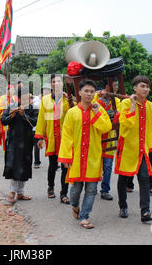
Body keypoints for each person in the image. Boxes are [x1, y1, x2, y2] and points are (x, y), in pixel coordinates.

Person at [58, 80, 112, 229]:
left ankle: (85, 216)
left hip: (93, 157)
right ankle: (75, 206)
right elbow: (67, 135)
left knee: (91, 190)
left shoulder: (99, 110)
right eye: (86, 91)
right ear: (80, 93)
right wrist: (65, 157)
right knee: (75, 189)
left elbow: (106, 128)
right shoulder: (72, 112)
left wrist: (96, 113)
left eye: (92, 91)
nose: (89, 94)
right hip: (76, 157)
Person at [115, 75, 152, 223]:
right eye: (142, 86)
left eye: (147, 87)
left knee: (145, 179)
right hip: (127, 147)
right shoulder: (125, 103)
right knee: (123, 178)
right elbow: (126, 124)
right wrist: (133, 105)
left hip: (142, 149)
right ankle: (123, 205)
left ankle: (145, 212)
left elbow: (150, 130)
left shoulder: (151, 106)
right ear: (135, 88)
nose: (145, 89)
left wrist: (150, 148)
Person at [35, 74, 71, 204]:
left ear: (63, 83)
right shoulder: (45, 100)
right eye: (54, 81)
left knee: (65, 166)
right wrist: (40, 137)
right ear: (51, 85)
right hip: (51, 137)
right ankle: (50, 187)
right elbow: (41, 119)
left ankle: (64, 193)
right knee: (52, 165)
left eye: (59, 81)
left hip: (65, 138)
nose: (57, 83)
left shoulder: (69, 99)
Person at [1, 89, 38, 204]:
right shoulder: (11, 106)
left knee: (24, 166)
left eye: (29, 98)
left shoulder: (34, 109)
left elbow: (35, 123)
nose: (28, 100)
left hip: (27, 141)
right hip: (13, 141)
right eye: (25, 98)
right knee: (14, 166)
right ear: (19, 98)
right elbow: (3, 121)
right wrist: (11, 116)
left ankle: (20, 193)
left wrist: (23, 115)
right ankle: (12, 192)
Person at [93, 78, 121, 201]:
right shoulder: (96, 100)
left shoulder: (118, 101)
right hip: (97, 138)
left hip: (109, 138)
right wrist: (98, 93)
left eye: (117, 85)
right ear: (107, 87)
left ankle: (105, 190)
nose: (116, 87)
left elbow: (119, 115)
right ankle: (92, 188)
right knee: (95, 166)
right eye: (114, 85)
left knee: (108, 166)